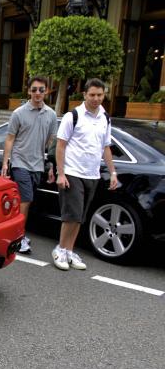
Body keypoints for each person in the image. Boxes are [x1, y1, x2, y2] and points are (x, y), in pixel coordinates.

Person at [52, 78, 117, 270]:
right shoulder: (73, 116)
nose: (96, 99)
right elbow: (60, 146)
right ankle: (60, 250)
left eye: (100, 95)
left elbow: (106, 147)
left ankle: (70, 251)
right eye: (92, 95)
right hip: (73, 171)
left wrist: (112, 172)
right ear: (85, 95)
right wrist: (61, 173)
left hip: (93, 174)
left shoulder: (105, 117)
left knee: (80, 216)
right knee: (71, 215)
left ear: (104, 95)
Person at [1, 76, 57, 254]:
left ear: (47, 91)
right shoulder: (18, 113)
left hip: (38, 165)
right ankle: (19, 236)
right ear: (29, 91)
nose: (38, 93)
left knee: (26, 201)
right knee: (26, 199)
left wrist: (49, 166)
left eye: (41, 90)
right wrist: (5, 163)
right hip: (20, 162)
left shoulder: (51, 114)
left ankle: (15, 231)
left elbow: (50, 141)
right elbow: (10, 139)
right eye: (34, 90)